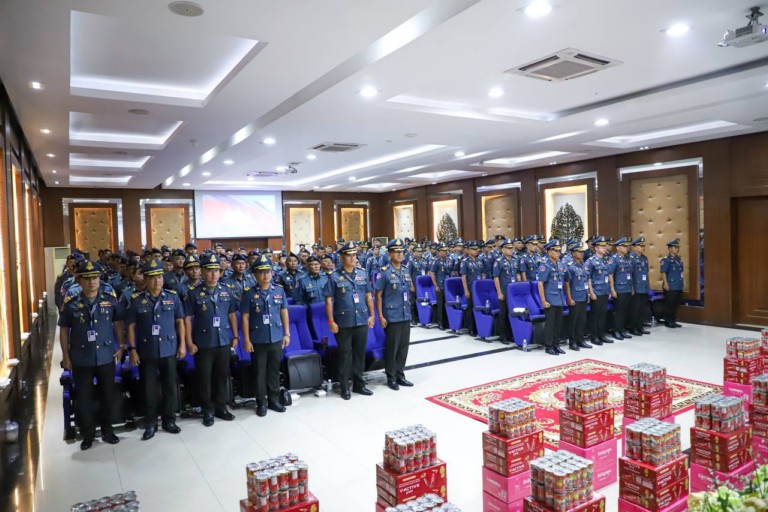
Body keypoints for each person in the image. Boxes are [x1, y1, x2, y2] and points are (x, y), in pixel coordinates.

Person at [58, 260, 124, 450]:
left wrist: (121, 346)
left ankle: (107, 430)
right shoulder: (71, 303)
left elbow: (117, 323)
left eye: (95, 278)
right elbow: (64, 330)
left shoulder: (109, 299)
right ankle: (88, 434)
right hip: (81, 357)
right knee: (84, 398)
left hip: (105, 355)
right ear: (79, 281)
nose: (92, 282)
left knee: (107, 395)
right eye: (87, 278)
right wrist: (66, 356)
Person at [126, 258, 186, 440]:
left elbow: (180, 322)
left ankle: (169, 420)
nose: (157, 281)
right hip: (147, 350)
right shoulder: (136, 300)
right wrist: (132, 349)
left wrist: (182, 344)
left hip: (169, 348)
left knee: (169, 387)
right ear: (145, 279)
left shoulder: (172, 297)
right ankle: (151, 422)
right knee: (149, 389)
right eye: (152, 277)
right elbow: (131, 327)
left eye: (159, 276)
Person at [184, 253, 239, 426]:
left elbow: (232, 314)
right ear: (202, 272)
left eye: (216, 270)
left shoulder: (226, 290)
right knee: (205, 378)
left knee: (221, 376)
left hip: (223, 341)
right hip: (203, 342)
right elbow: (187, 319)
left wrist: (235, 336)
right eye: (209, 270)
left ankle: (221, 407)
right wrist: (189, 342)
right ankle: (207, 409)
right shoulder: (193, 293)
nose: (214, 274)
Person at [241, 255, 291, 417]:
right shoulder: (249, 293)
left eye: (268, 271)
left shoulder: (279, 290)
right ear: (255, 274)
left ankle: (274, 400)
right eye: (262, 272)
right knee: (259, 373)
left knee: (274, 371)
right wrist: (246, 339)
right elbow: (245, 317)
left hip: (276, 337)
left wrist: (287, 333)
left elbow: (284, 312)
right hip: (258, 338)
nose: (266, 275)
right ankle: (261, 402)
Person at [324, 241, 375, 400]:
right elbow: (328, 300)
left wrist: (372, 315)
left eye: (354, 255)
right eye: (349, 255)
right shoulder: (334, 276)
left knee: (359, 354)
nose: (353, 258)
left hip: (361, 319)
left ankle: (359, 384)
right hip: (343, 322)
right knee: (345, 355)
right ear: (341, 257)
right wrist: (331, 321)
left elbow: (368, 296)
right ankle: (345, 386)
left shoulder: (362, 273)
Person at [375, 239, 414, 391]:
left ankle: (400, 374)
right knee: (392, 348)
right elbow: (378, 296)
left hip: (405, 313)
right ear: (390, 254)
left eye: (401, 252)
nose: (399, 254)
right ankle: (391, 377)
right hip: (391, 315)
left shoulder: (405, 270)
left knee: (403, 347)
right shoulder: (384, 272)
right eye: (396, 252)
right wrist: (380, 316)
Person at [537, 240, 568, 356]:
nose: (558, 253)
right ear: (549, 252)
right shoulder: (545, 265)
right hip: (550, 298)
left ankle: (556, 345)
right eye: (555, 250)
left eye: (559, 250)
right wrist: (543, 301)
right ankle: (549, 346)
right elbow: (540, 284)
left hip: (559, 298)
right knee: (550, 325)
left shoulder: (560, 264)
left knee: (558, 324)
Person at [564, 242, 592, 351]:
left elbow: (586, 281)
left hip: (583, 296)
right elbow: (567, 283)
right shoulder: (570, 266)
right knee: (573, 321)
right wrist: (569, 298)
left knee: (582, 320)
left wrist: (588, 294)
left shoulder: (584, 265)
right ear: (573, 253)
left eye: (582, 252)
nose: (581, 254)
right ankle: (573, 342)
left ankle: (580, 340)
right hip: (574, 297)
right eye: (579, 252)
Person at [585, 236, 612, 346]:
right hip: (596, 291)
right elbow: (588, 278)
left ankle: (601, 335)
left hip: (605, 291)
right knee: (595, 315)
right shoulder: (590, 261)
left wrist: (609, 290)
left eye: (605, 246)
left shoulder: (606, 260)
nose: (604, 248)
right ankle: (594, 336)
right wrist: (590, 292)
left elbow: (608, 275)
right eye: (601, 246)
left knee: (603, 315)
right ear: (596, 248)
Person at [492, 239, 519, 345]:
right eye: (508, 248)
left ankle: (510, 334)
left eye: (511, 248)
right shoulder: (498, 261)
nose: (510, 250)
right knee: (503, 314)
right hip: (504, 291)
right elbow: (496, 278)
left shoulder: (515, 260)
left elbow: (517, 274)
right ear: (503, 249)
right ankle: (503, 336)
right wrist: (499, 292)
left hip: (514, 292)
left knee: (512, 313)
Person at [609, 237, 634, 340]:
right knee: (618, 311)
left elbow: (630, 274)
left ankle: (622, 330)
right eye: (623, 246)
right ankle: (616, 331)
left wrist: (632, 287)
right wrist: (612, 289)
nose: (626, 248)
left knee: (625, 311)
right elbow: (610, 275)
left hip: (627, 288)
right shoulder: (614, 259)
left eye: (627, 246)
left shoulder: (628, 259)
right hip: (619, 288)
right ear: (618, 247)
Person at [628, 237, 652, 336]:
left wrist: (648, 286)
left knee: (642, 309)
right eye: (640, 246)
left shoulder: (644, 258)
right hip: (636, 287)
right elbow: (629, 275)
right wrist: (631, 288)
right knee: (635, 310)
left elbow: (646, 273)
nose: (643, 247)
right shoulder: (631, 258)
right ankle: (633, 328)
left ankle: (640, 327)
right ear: (634, 247)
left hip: (644, 287)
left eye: (643, 246)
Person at [660, 238, 684, 328]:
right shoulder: (666, 259)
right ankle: (668, 321)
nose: (677, 249)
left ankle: (673, 320)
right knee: (669, 304)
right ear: (669, 249)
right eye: (675, 247)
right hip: (670, 285)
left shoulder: (679, 259)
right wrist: (665, 283)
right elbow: (663, 272)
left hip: (678, 285)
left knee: (675, 304)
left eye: (678, 247)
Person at [460, 240, 482, 336]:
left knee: (478, 307)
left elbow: (482, 274)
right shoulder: (465, 262)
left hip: (479, 288)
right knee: (470, 308)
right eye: (473, 249)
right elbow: (463, 277)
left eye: (477, 249)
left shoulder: (479, 261)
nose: (476, 251)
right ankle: (471, 328)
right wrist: (466, 290)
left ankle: (478, 327)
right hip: (470, 287)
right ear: (468, 250)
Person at [429, 243, 450, 330]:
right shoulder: (436, 261)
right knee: (440, 305)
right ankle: (440, 323)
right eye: (443, 251)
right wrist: (436, 285)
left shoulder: (448, 260)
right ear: (439, 251)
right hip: (440, 285)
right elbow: (432, 273)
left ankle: (446, 322)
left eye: (446, 250)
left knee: (447, 304)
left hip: (448, 286)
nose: (445, 252)